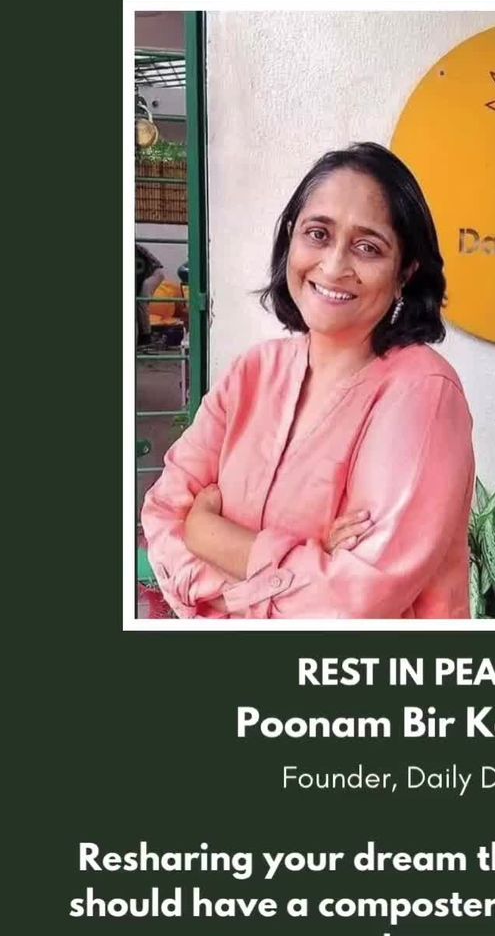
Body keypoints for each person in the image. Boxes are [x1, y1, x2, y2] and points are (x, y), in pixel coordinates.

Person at [141, 142, 475, 619]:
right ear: (291, 240)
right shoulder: (252, 373)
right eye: (318, 234)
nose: (334, 266)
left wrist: (207, 534)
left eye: (368, 247)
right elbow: (163, 513)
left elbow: (352, 603)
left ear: (405, 272)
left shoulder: (422, 392)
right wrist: (302, 563)